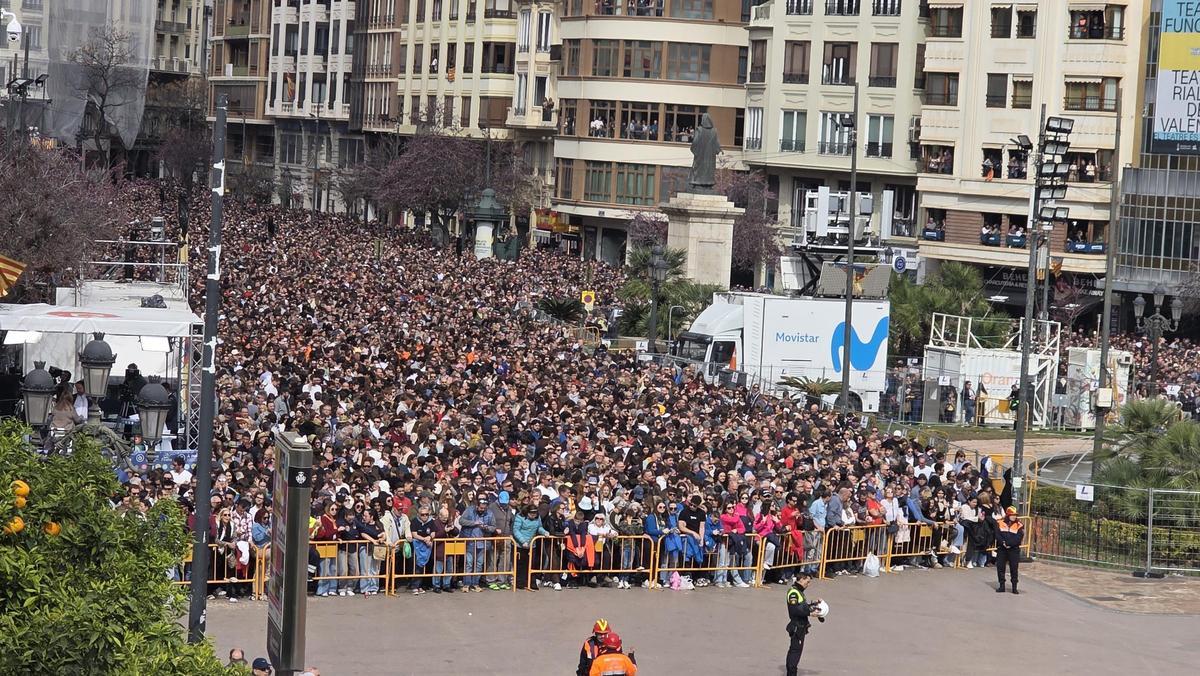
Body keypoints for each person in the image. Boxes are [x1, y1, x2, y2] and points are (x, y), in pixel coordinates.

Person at [784, 571, 824, 676]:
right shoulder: (793, 592)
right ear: (801, 579)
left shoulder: (799, 591)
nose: (808, 584)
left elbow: (803, 606)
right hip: (797, 627)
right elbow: (795, 610)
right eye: (807, 582)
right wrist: (810, 613)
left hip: (801, 627)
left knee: (795, 652)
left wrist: (814, 604)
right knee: (795, 653)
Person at [995, 506, 1024, 594]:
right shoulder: (999, 523)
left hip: (1014, 549)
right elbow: (997, 534)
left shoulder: (1019, 525)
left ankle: (1014, 587)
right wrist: (1003, 542)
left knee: (1014, 568)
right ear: (1007, 515)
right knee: (1000, 567)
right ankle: (1002, 586)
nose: (1014, 517)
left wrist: (1009, 544)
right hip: (1002, 548)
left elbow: (1019, 537)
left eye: (1015, 515)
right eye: (1012, 515)